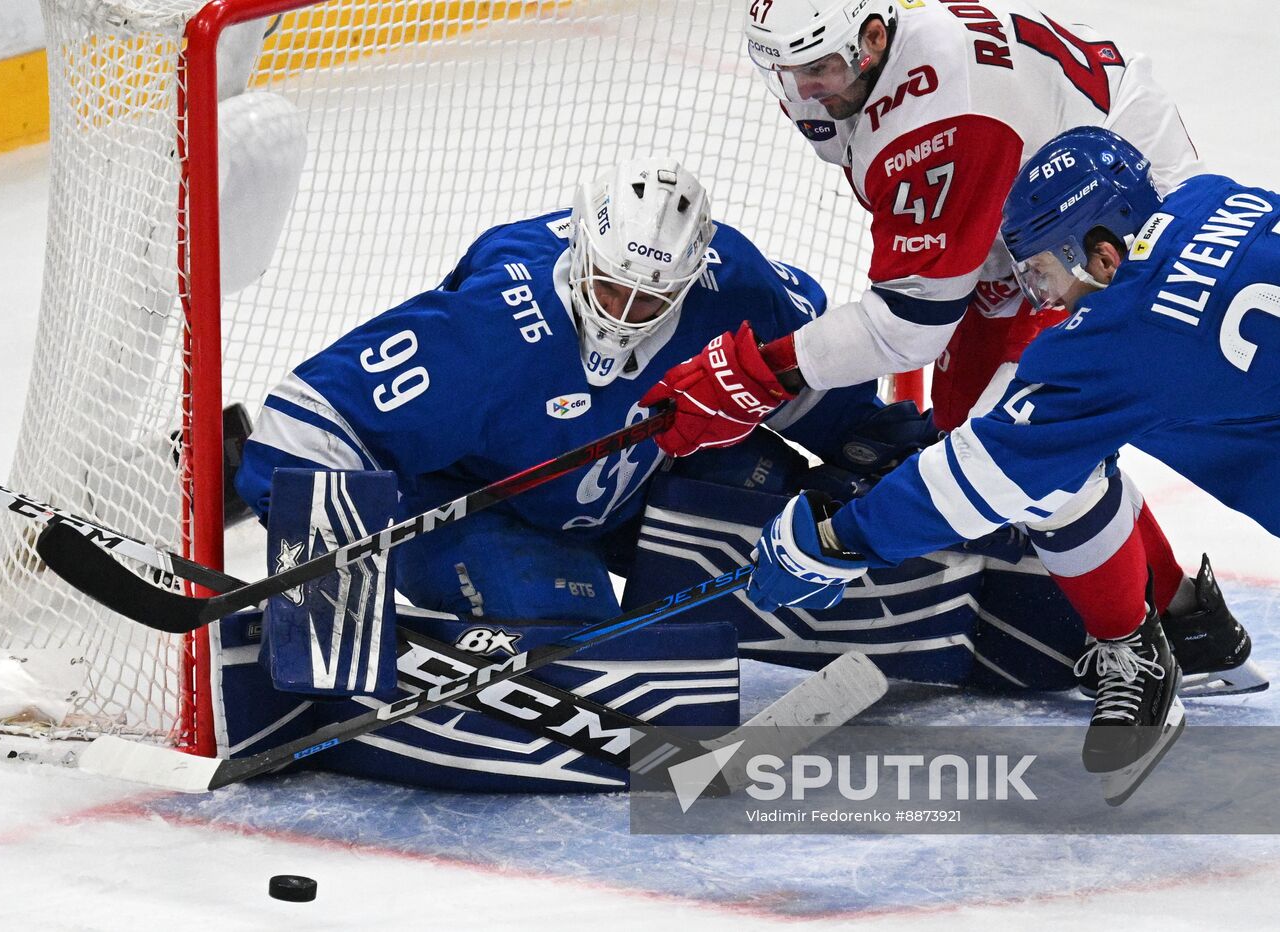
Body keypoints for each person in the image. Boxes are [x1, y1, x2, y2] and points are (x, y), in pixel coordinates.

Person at [639, 0, 1254, 702]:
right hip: (1037, 199)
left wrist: (758, 372)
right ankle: (1188, 620)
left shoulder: (938, 124)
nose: (804, 89)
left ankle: (1149, 639)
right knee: (977, 422)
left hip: (1104, 222)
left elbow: (908, 327)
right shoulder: (884, 72)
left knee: (1028, 443)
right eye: (786, 71)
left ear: (872, 40)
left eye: (819, 68)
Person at [745, 127, 1276, 774]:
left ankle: (1154, 642)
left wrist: (837, 543)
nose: (1045, 299)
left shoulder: (1119, 339)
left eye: (1045, 272)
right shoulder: (1215, 198)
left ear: (1103, 256)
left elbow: (982, 475)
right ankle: (1189, 631)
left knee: (1047, 471)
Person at [235, 156, 880, 628]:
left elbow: (809, 372)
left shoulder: (732, 288)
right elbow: (311, 419)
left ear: (689, 280)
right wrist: (325, 593)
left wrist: (876, 455)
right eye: (611, 287)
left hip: (634, 487)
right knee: (566, 632)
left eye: (649, 299)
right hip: (477, 505)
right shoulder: (495, 323)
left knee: (788, 507)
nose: (622, 314)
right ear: (581, 248)